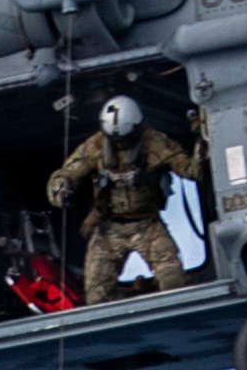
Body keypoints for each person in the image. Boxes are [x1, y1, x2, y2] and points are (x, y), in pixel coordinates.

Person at [43, 96, 206, 309]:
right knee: (96, 298)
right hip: (108, 228)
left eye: (126, 140)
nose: (120, 145)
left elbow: (192, 170)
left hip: (147, 226)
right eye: (115, 140)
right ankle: (136, 297)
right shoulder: (95, 146)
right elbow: (69, 171)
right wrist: (61, 189)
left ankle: (151, 294)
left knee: (173, 282)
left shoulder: (156, 143)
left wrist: (201, 145)